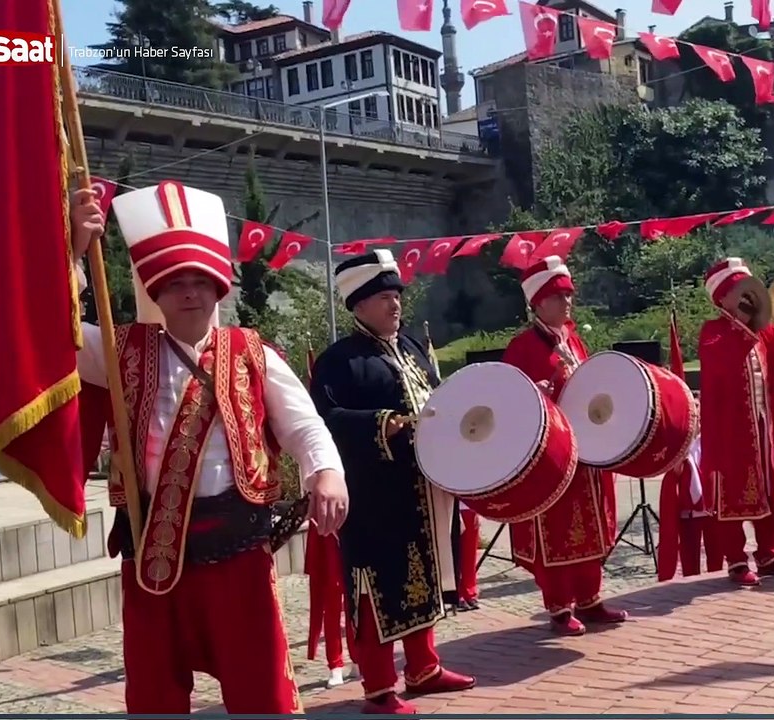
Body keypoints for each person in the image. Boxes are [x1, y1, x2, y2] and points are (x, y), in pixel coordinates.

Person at [67, 182, 348, 714]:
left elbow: (305, 425)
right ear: (156, 289)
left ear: (219, 288)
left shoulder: (252, 352)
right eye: (174, 282)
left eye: (200, 281)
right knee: (153, 692)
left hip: (235, 548)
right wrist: (76, 253)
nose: (189, 292)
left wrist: (325, 473)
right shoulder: (120, 347)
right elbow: (51, 331)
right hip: (152, 548)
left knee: (261, 687)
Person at [308, 249, 475, 715]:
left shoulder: (413, 349)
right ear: (359, 305)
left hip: (423, 490)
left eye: (397, 296)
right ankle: (379, 688)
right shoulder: (340, 361)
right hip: (373, 497)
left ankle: (423, 669)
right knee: (377, 588)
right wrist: (382, 423)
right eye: (384, 297)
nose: (395, 305)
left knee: (426, 577)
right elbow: (324, 419)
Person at [501, 256, 626, 636]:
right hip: (551, 455)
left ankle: (589, 597)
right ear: (537, 302)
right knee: (556, 530)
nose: (566, 303)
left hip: (585, 449)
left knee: (591, 524)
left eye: (569, 295)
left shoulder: (573, 339)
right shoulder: (522, 348)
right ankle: (558, 605)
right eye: (557, 297)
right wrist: (547, 389)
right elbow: (514, 401)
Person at [698, 257, 774, 586]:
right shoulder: (713, 332)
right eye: (738, 289)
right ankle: (736, 560)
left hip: (767, 427)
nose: (749, 293)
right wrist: (748, 325)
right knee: (733, 491)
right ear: (722, 298)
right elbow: (721, 362)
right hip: (730, 432)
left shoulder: (764, 332)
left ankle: (769, 553)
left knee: (771, 486)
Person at [657, 430, 724, 579]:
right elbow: (671, 473)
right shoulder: (678, 445)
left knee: (716, 552)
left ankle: (716, 580)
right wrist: (676, 469)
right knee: (689, 556)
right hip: (688, 509)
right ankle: (690, 583)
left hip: (712, 506)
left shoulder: (712, 440)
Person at [305, 519, 356, 688]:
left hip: (349, 523)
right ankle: (335, 665)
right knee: (331, 606)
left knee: (355, 602)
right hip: (325, 527)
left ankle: (358, 659)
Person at [456, 500, 481, 610]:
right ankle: (457, 593)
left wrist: (478, 511)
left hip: (470, 508)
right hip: (454, 509)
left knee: (470, 556)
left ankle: (470, 592)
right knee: (456, 554)